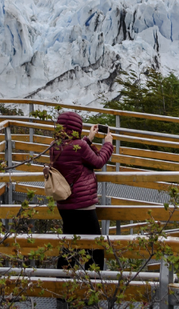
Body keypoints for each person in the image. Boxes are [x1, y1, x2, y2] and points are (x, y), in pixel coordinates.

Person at [50, 111, 114, 270]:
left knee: (69, 247)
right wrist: (108, 143)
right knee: (95, 248)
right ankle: (92, 287)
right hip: (83, 204)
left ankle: (61, 289)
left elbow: (74, 150)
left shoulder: (54, 146)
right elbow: (98, 161)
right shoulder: (80, 147)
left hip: (64, 204)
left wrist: (88, 138)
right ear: (77, 128)